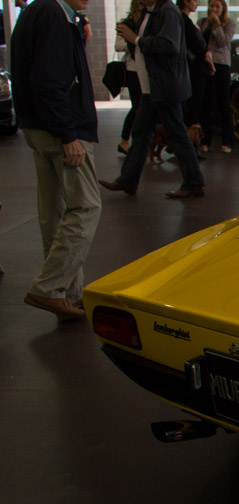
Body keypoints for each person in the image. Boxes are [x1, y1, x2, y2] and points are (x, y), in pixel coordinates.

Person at [10, 0, 102, 321]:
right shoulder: (55, 16)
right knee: (87, 206)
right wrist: (69, 134)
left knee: (55, 211)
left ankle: (68, 294)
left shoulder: (36, 13)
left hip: (37, 127)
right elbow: (49, 81)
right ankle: (50, 287)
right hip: (61, 130)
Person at [100, 0, 206, 199]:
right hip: (153, 86)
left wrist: (137, 39)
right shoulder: (151, 12)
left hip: (164, 85)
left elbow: (169, 45)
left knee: (176, 134)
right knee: (141, 133)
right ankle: (128, 180)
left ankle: (194, 182)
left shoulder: (167, 11)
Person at [198, 0, 235, 152]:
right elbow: (198, 41)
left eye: (217, 6)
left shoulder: (230, 23)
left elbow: (222, 41)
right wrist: (209, 23)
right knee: (205, 103)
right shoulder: (202, 22)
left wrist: (217, 24)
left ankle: (227, 140)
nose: (214, 9)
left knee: (222, 102)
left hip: (221, 64)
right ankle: (205, 140)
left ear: (223, 8)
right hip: (205, 64)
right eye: (211, 6)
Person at [115, 0, 147, 155]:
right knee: (137, 106)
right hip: (133, 69)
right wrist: (133, 41)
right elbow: (118, 45)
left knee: (145, 107)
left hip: (146, 69)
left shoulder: (149, 21)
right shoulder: (126, 23)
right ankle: (125, 139)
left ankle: (140, 141)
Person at [177, 0, 213, 137]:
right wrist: (208, 58)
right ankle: (191, 144)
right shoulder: (183, 20)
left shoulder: (186, 21)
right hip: (194, 69)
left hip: (194, 69)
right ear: (185, 2)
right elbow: (197, 45)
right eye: (195, 0)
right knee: (193, 109)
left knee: (193, 108)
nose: (197, 3)